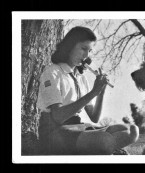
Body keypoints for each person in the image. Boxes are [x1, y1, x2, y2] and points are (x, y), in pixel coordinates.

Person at [37, 26, 139, 155]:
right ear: (69, 46)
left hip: (77, 128)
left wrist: (100, 92)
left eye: (89, 51)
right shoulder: (53, 72)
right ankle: (107, 148)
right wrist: (93, 93)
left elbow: (94, 117)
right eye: (83, 49)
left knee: (132, 130)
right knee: (105, 140)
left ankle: (106, 147)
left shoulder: (81, 78)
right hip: (55, 132)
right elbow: (58, 117)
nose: (86, 56)